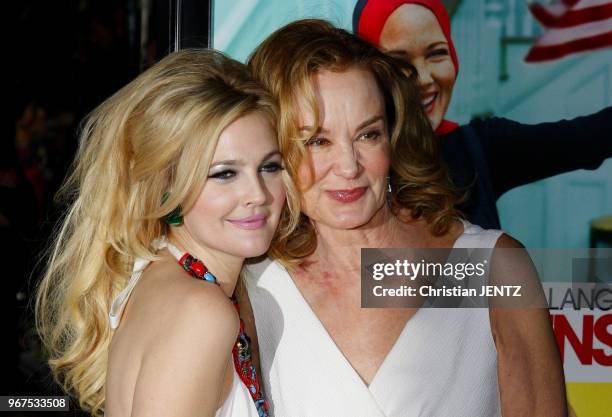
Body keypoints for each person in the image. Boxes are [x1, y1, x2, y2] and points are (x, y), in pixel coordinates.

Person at [243, 19, 567, 417]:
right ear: (270, 146)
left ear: (393, 137)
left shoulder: (494, 269)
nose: (348, 166)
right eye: (316, 141)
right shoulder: (252, 283)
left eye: (368, 135)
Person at [34, 49, 299, 417]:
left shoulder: (155, 273)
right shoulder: (202, 313)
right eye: (224, 173)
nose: (258, 195)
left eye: (269, 167)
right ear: (165, 184)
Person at [353, 0, 612, 229]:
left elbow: (588, 137)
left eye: (437, 53)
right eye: (399, 62)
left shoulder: (476, 148)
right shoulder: (347, 159)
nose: (424, 79)